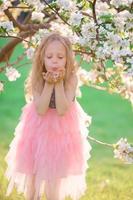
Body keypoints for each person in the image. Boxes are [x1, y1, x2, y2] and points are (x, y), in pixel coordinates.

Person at [4, 32, 92, 200]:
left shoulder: (71, 78)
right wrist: (48, 84)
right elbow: (41, 109)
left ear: (67, 59)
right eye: (49, 56)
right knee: (34, 175)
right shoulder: (37, 77)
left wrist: (58, 83)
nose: (54, 60)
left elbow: (62, 110)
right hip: (38, 128)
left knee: (55, 177)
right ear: (42, 59)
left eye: (60, 57)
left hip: (62, 131)